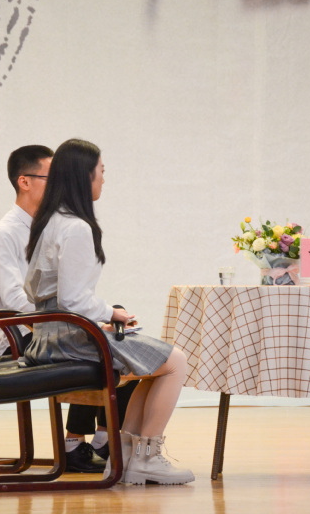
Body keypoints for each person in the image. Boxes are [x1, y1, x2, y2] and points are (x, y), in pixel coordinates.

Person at [22, 138, 194, 485]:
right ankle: (146, 458)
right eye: (101, 171)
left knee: (153, 366)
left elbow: (42, 292)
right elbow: (73, 300)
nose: (103, 178)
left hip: (49, 337)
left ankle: (127, 458)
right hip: (67, 340)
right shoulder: (76, 227)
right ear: (85, 176)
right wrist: (111, 314)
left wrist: (100, 316)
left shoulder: (49, 221)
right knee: (176, 362)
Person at [0, 144, 137, 474]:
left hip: (45, 324)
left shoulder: (51, 223)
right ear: (24, 182)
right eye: (50, 177)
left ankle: (98, 439)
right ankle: (79, 443)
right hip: (16, 335)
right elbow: (16, 301)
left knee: (119, 333)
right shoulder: (5, 233)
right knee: (112, 346)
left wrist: (87, 320)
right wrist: (76, 324)